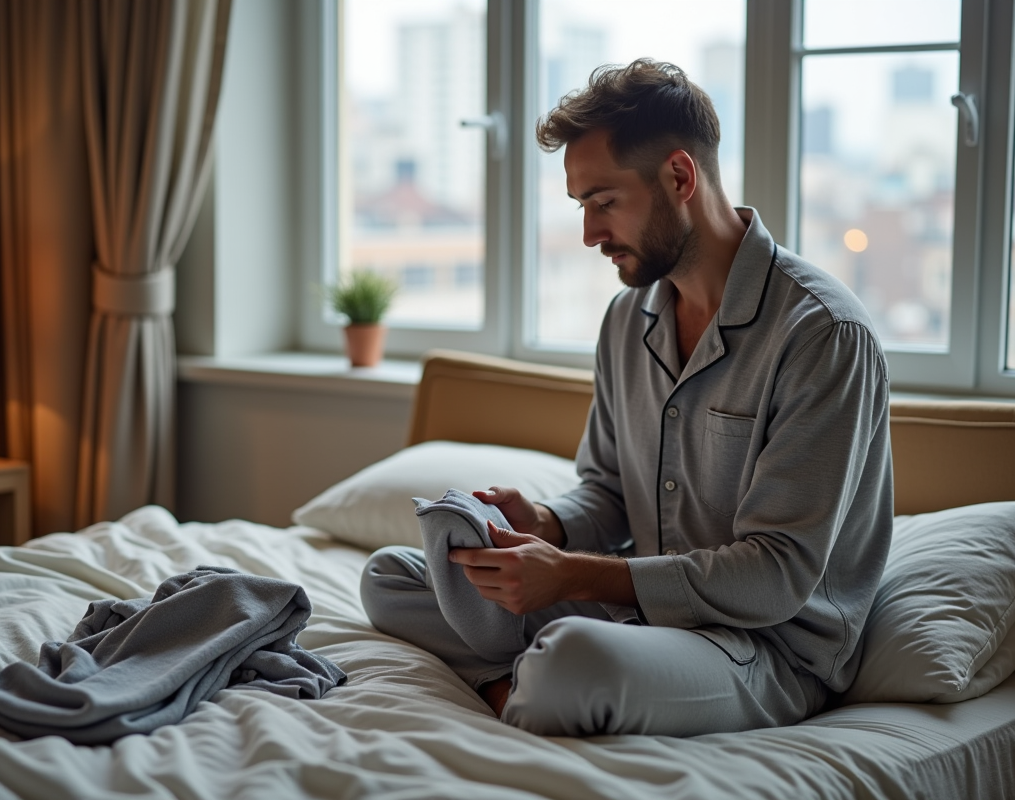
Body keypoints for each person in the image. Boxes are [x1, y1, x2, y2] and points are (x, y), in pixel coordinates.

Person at [360, 58, 893, 738]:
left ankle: (531, 684)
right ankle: (517, 687)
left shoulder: (822, 335)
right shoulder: (627, 318)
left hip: (765, 650)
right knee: (393, 578)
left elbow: (775, 575)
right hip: (637, 620)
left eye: (604, 202)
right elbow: (609, 491)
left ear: (678, 177)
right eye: (581, 206)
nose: (589, 234)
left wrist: (573, 576)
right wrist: (548, 525)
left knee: (575, 663)